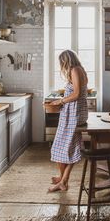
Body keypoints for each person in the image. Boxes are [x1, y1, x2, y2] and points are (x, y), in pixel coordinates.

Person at [46, 49, 88, 192]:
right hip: (72, 114)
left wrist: (61, 101)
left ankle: (63, 181)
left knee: (62, 148)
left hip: (74, 116)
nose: (61, 65)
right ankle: (63, 178)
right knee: (64, 147)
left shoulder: (75, 70)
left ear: (66, 60)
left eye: (62, 62)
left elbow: (76, 94)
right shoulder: (78, 69)